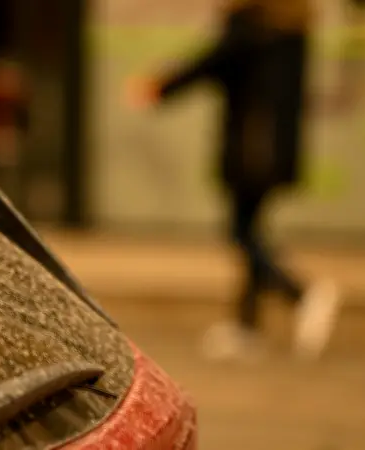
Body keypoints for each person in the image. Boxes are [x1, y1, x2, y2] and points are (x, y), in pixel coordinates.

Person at [127, 0, 341, 361]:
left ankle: (302, 294)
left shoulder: (250, 27)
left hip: (251, 146)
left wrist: (159, 88)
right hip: (275, 146)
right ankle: (247, 327)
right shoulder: (292, 28)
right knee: (252, 229)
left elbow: (212, 63)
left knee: (241, 233)